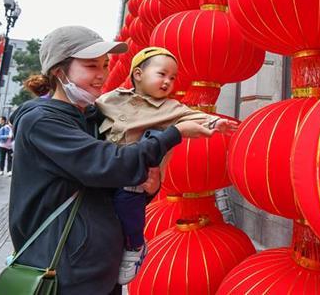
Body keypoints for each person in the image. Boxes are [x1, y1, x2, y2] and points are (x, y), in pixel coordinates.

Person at [9, 26, 216, 295]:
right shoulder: (43, 121)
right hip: (64, 273)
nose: (102, 75)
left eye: (105, 65)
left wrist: (146, 191)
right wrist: (173, 134)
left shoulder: (93, 117)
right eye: (91, 66)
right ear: (60, 72)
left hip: (99, 269)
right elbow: (107, 163)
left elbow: (107, 185)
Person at [96, 46, 238, 284]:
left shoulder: (170, 108)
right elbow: (92, 110)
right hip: (104, 168)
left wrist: (215, 122)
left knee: (128, 204)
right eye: (162, 74)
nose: (168, 81)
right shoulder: (112, 98)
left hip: (134, 175)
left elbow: (193, 116)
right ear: (138, 74)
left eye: (172, 78)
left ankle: (134, 245)